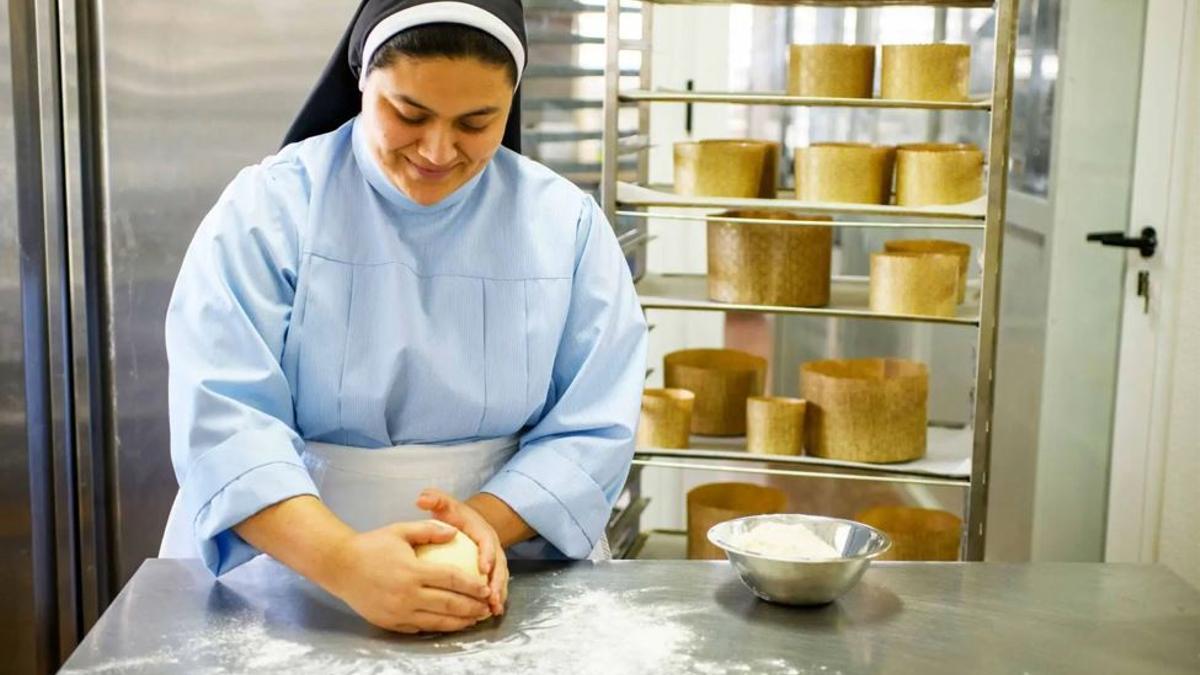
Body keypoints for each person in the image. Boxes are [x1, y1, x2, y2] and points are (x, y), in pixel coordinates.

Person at [158, 0, 647, 636]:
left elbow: (596, 422)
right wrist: (342, 560)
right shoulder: (270, 209)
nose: (439, 150)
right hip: (285, 566)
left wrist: (478, 529)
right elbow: (223, 421)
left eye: (477, 121)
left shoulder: (566, 225)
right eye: (408, 114)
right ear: (362, 79)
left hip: (500, 563)